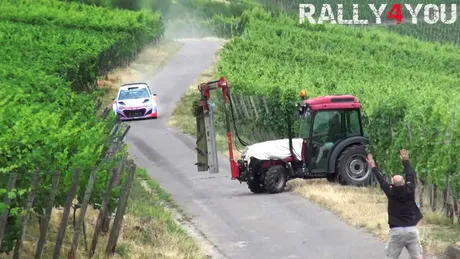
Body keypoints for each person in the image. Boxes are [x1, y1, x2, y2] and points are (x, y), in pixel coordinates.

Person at [366, 149, 423, 259]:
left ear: (392, 184)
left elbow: (381, 180)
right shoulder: (410, 190)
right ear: (404, 182)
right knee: (417, 256)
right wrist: (405, 160)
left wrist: (373, 165)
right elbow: (410, 174)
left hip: (396, 230)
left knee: (392, 256)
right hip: (411, 229)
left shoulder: (390, 192)